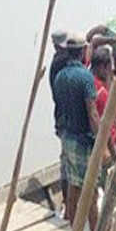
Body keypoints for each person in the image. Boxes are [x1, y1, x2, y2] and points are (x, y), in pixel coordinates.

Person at [53, 35, 114, 231]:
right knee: (91, 191)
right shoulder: (85, 77)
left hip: (67, 137)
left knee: (73, 185)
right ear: (81, 52)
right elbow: (93, 114)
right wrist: (102, 142)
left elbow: (60, 108)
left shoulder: (60, 76)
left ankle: (73, 228)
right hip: (83, 140)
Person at [48, 30, 70, 209]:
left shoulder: (61, 61)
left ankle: (69, 201)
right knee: (68, 162)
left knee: (68, 160)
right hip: (66, 119)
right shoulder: (60, 62)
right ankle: (68, 202)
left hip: (64, 118)